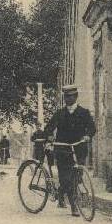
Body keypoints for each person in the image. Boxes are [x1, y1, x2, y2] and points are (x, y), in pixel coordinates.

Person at [44, 84, 95, 217]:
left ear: (76, 97)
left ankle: (61, 194)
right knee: (65, 178)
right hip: (62, 149)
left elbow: (92, 128)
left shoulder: (84, 113)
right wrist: (49, 135)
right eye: (66, 96)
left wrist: (88, 136)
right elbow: (49, 127)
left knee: (76, 177)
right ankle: (74, 206)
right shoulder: (60, 113)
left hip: (79, 149)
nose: (68, 99)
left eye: (71, 96)